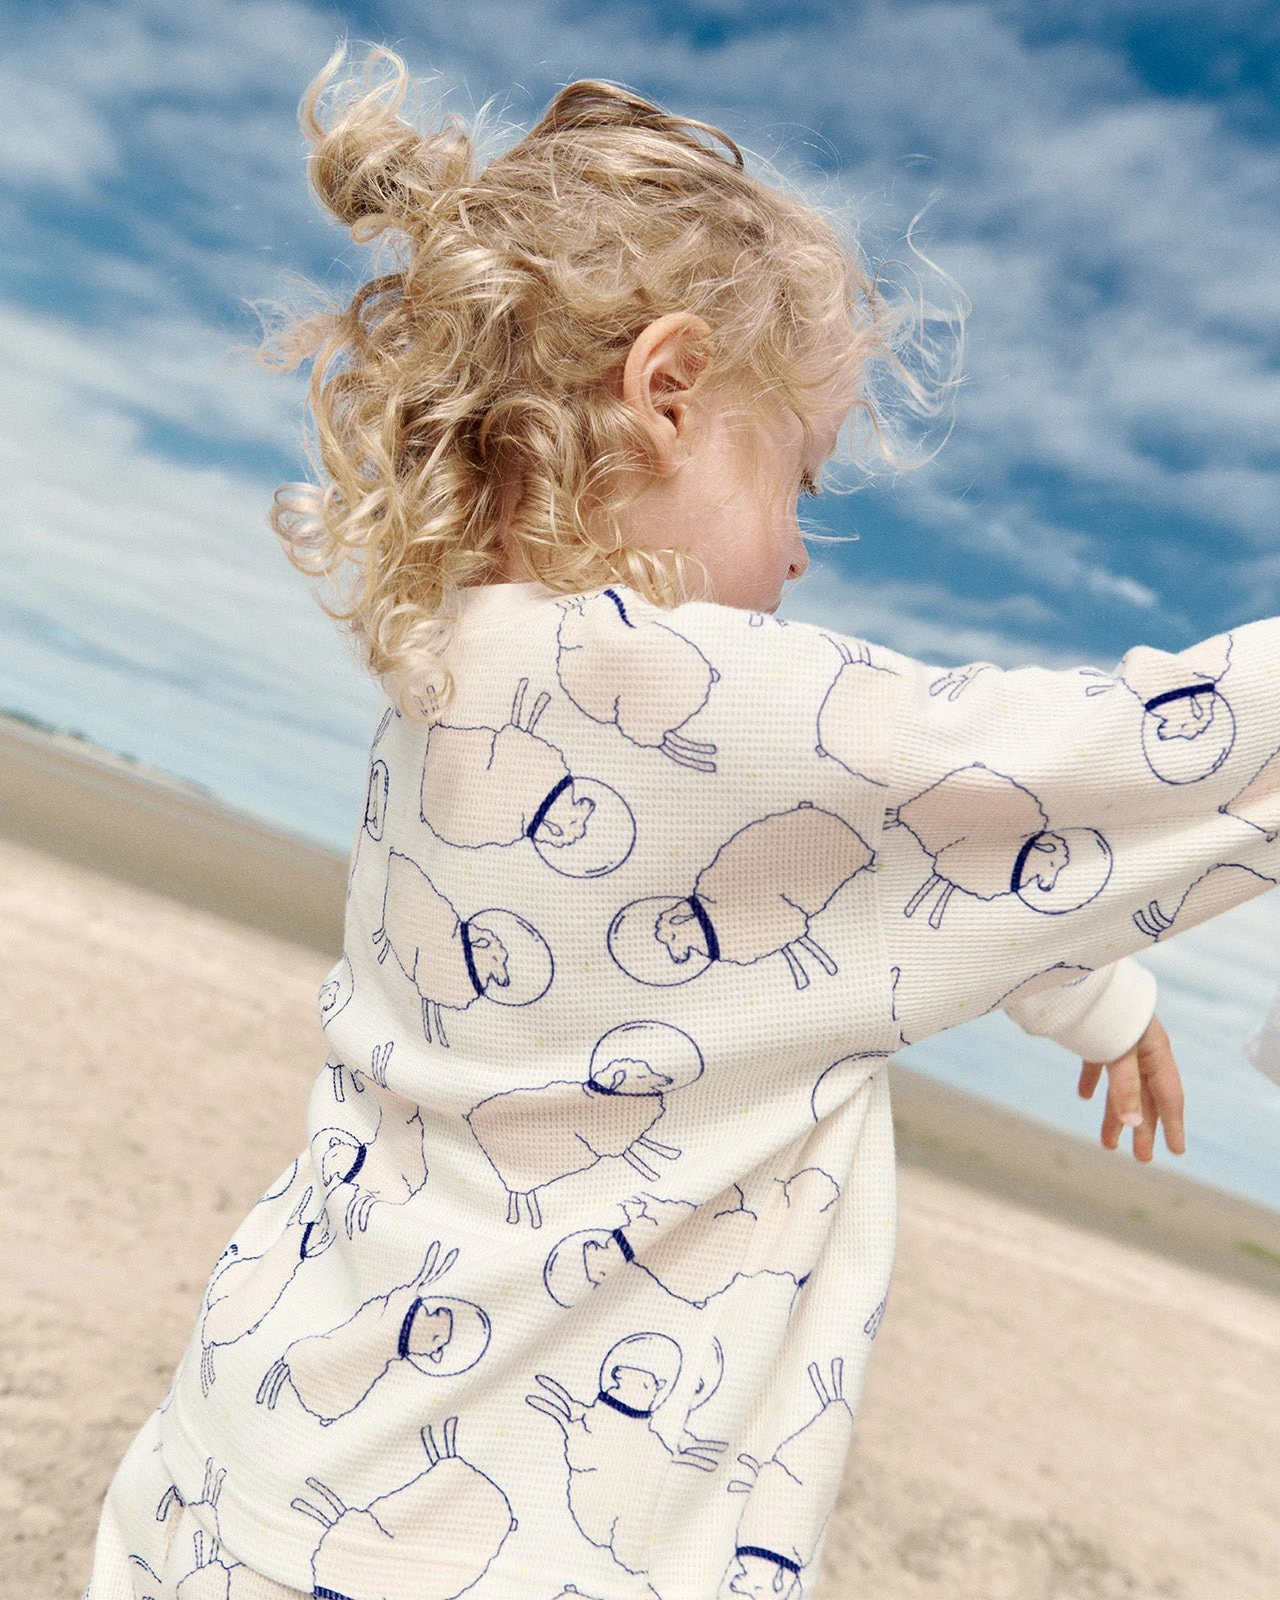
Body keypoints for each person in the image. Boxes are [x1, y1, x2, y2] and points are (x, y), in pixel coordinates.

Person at [89, 43, 1280, 1600]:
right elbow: (1090, 772)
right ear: (665, 396)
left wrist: (1099, 996)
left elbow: (836, 889)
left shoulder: (453, 677)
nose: (799, 556)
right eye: (800, 475)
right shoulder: (691, 695)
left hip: (247, 1475)